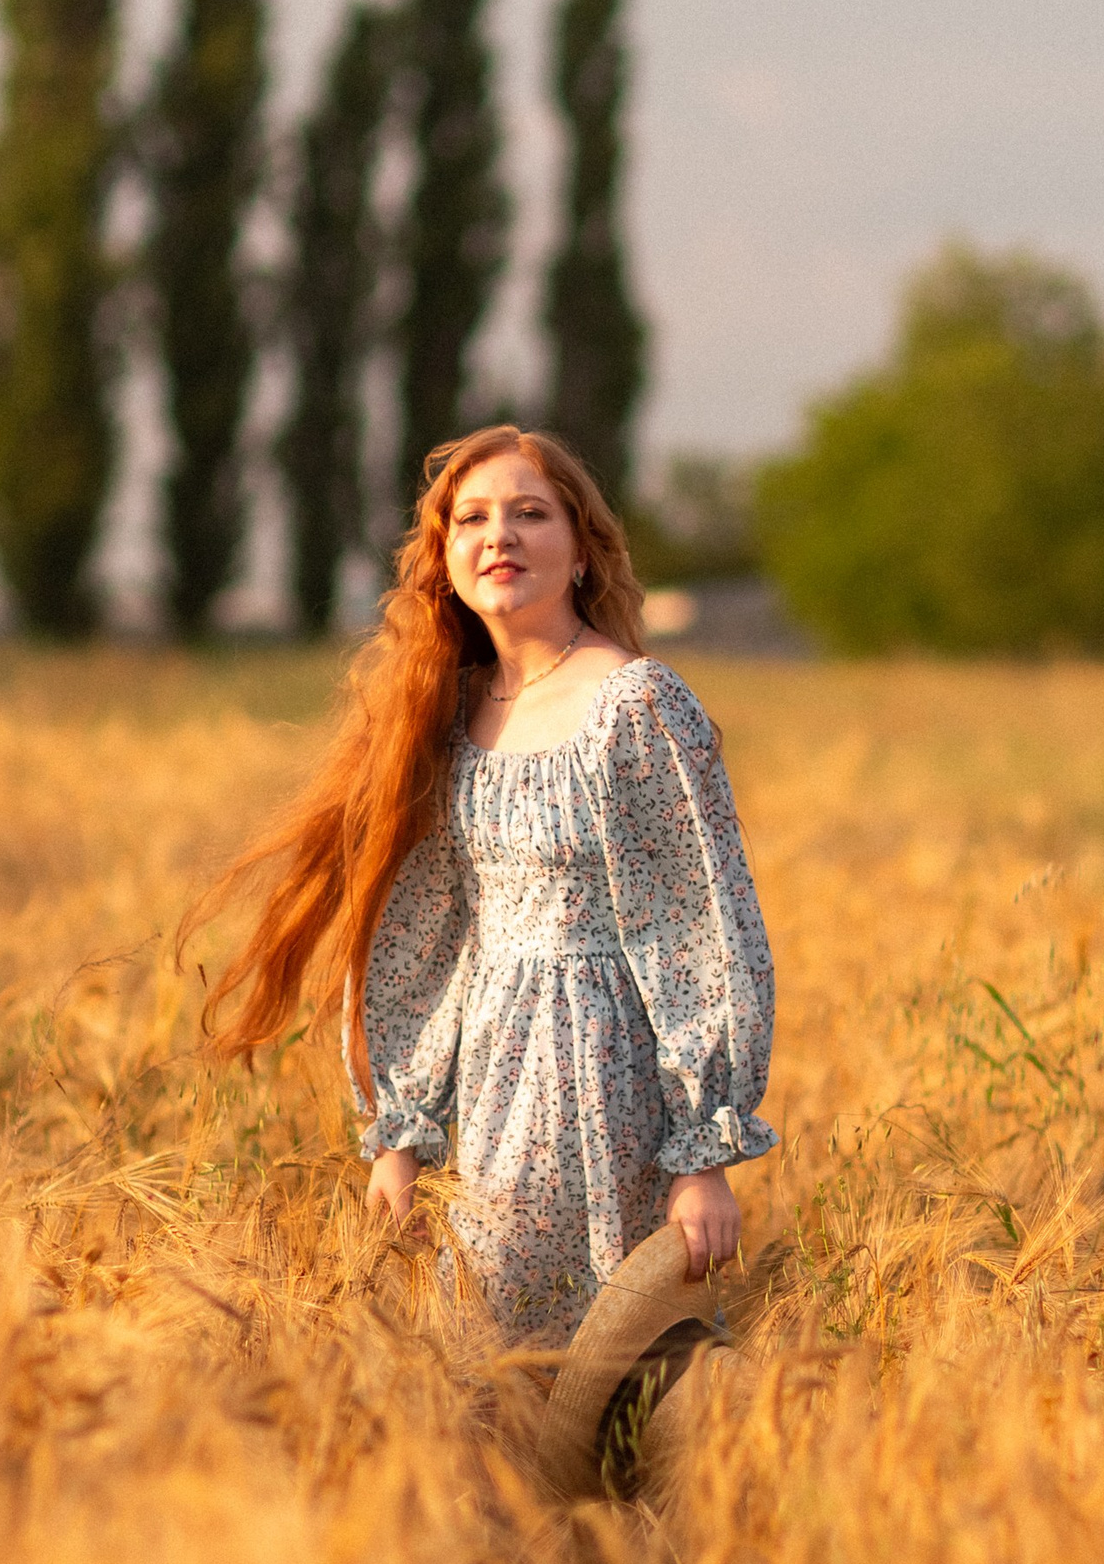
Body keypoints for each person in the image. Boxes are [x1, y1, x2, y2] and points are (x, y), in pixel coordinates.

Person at [194, 424, 776, 1339]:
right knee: (485, 1360)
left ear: (582, 551)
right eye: (472, 519)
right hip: (490, 1089)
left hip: (610, 1081)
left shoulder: (637, 706)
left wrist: (705, 1153)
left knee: (619, 1364)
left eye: (530, 514)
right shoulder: (446, 715)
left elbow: (696, 928)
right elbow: (421, 938)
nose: (498, 536)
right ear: (446, 561)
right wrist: (401, 1129)